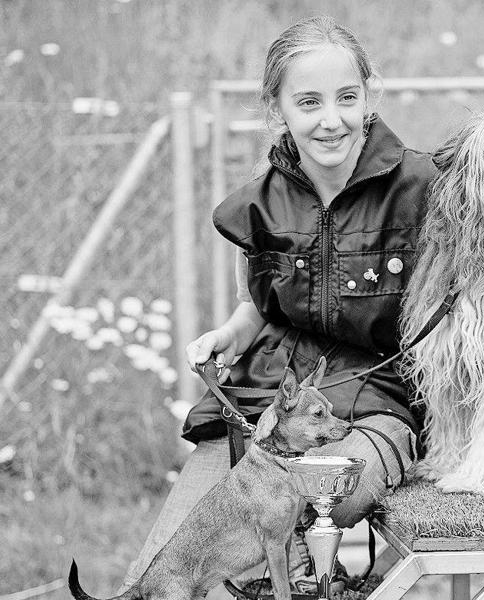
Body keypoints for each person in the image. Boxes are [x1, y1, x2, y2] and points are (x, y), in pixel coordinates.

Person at [123, 15, 437, 595]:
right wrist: (229, 337)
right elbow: (258, 307)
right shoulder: (261, 202)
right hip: (263, 403)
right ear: (277, 110)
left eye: (347, 97)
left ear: (370, 94)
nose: (331, 119)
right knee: (159, 574)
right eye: (308, 101)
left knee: (306, 508)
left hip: (375, 404)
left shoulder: (425, 189)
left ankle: (301, 579)